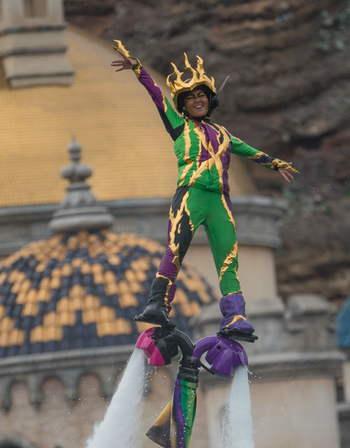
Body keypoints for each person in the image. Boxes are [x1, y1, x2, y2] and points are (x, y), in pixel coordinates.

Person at [111, 42, 297, 338]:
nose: (197, 100)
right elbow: (157, 95)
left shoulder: (223, 134)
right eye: (191, 97)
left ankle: (235, 316)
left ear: (210, 100)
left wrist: (275, 164)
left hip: (220, 201)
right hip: (191, 195)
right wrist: (138, 68)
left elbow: (248, 150)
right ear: (183, 105)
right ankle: (158, 304)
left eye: (201, 95)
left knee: (228, 259)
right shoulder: (179, 126)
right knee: (176, 249)